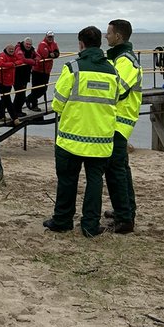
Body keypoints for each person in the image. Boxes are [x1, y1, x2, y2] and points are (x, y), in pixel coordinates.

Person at [44, 26, 120, 238]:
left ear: (81, 44)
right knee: (95, 182)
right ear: (100, 43)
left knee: (67, 181)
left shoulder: (73, 68)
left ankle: (62, 220)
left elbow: (57, 103)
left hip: (71, 138)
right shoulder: (112, 70)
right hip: (101, 139)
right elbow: (116, 98)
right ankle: (90, 225)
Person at [103, 19, 142, 233]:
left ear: (118, 36)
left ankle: (125, 219)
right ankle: (125, 210)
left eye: (108, 33)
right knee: (121, 168)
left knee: (115, 169)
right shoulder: (118, 58)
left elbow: (119, 89)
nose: (105, 36)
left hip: (120, 121)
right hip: (116, 120)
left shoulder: (126, 61)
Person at [29, 31, 60, 109]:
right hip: (38, 70)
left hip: (47, 70)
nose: (50, 38)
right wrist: (52, 54)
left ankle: (29, 100)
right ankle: (32, 103)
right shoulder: (42, 44)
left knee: (43, 89)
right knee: (36, 88)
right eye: (49, 37)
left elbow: (57, 53)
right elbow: (45, 55)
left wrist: (53, 54)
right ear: (46, 37)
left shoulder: (54, 44)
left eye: (51, 37)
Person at [0, 43, 21, 124]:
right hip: (1, 81)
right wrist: (12, 64)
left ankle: (1, 116)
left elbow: (21, 60)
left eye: (12, 50)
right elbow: (0, 64)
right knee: (7, 100)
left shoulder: (14, 55)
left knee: (4, 99)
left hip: (9, 82)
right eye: (10, 49)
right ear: (6, 49)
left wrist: (15, 63)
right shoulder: (2, 55)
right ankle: (15, 118)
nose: (11, 51)